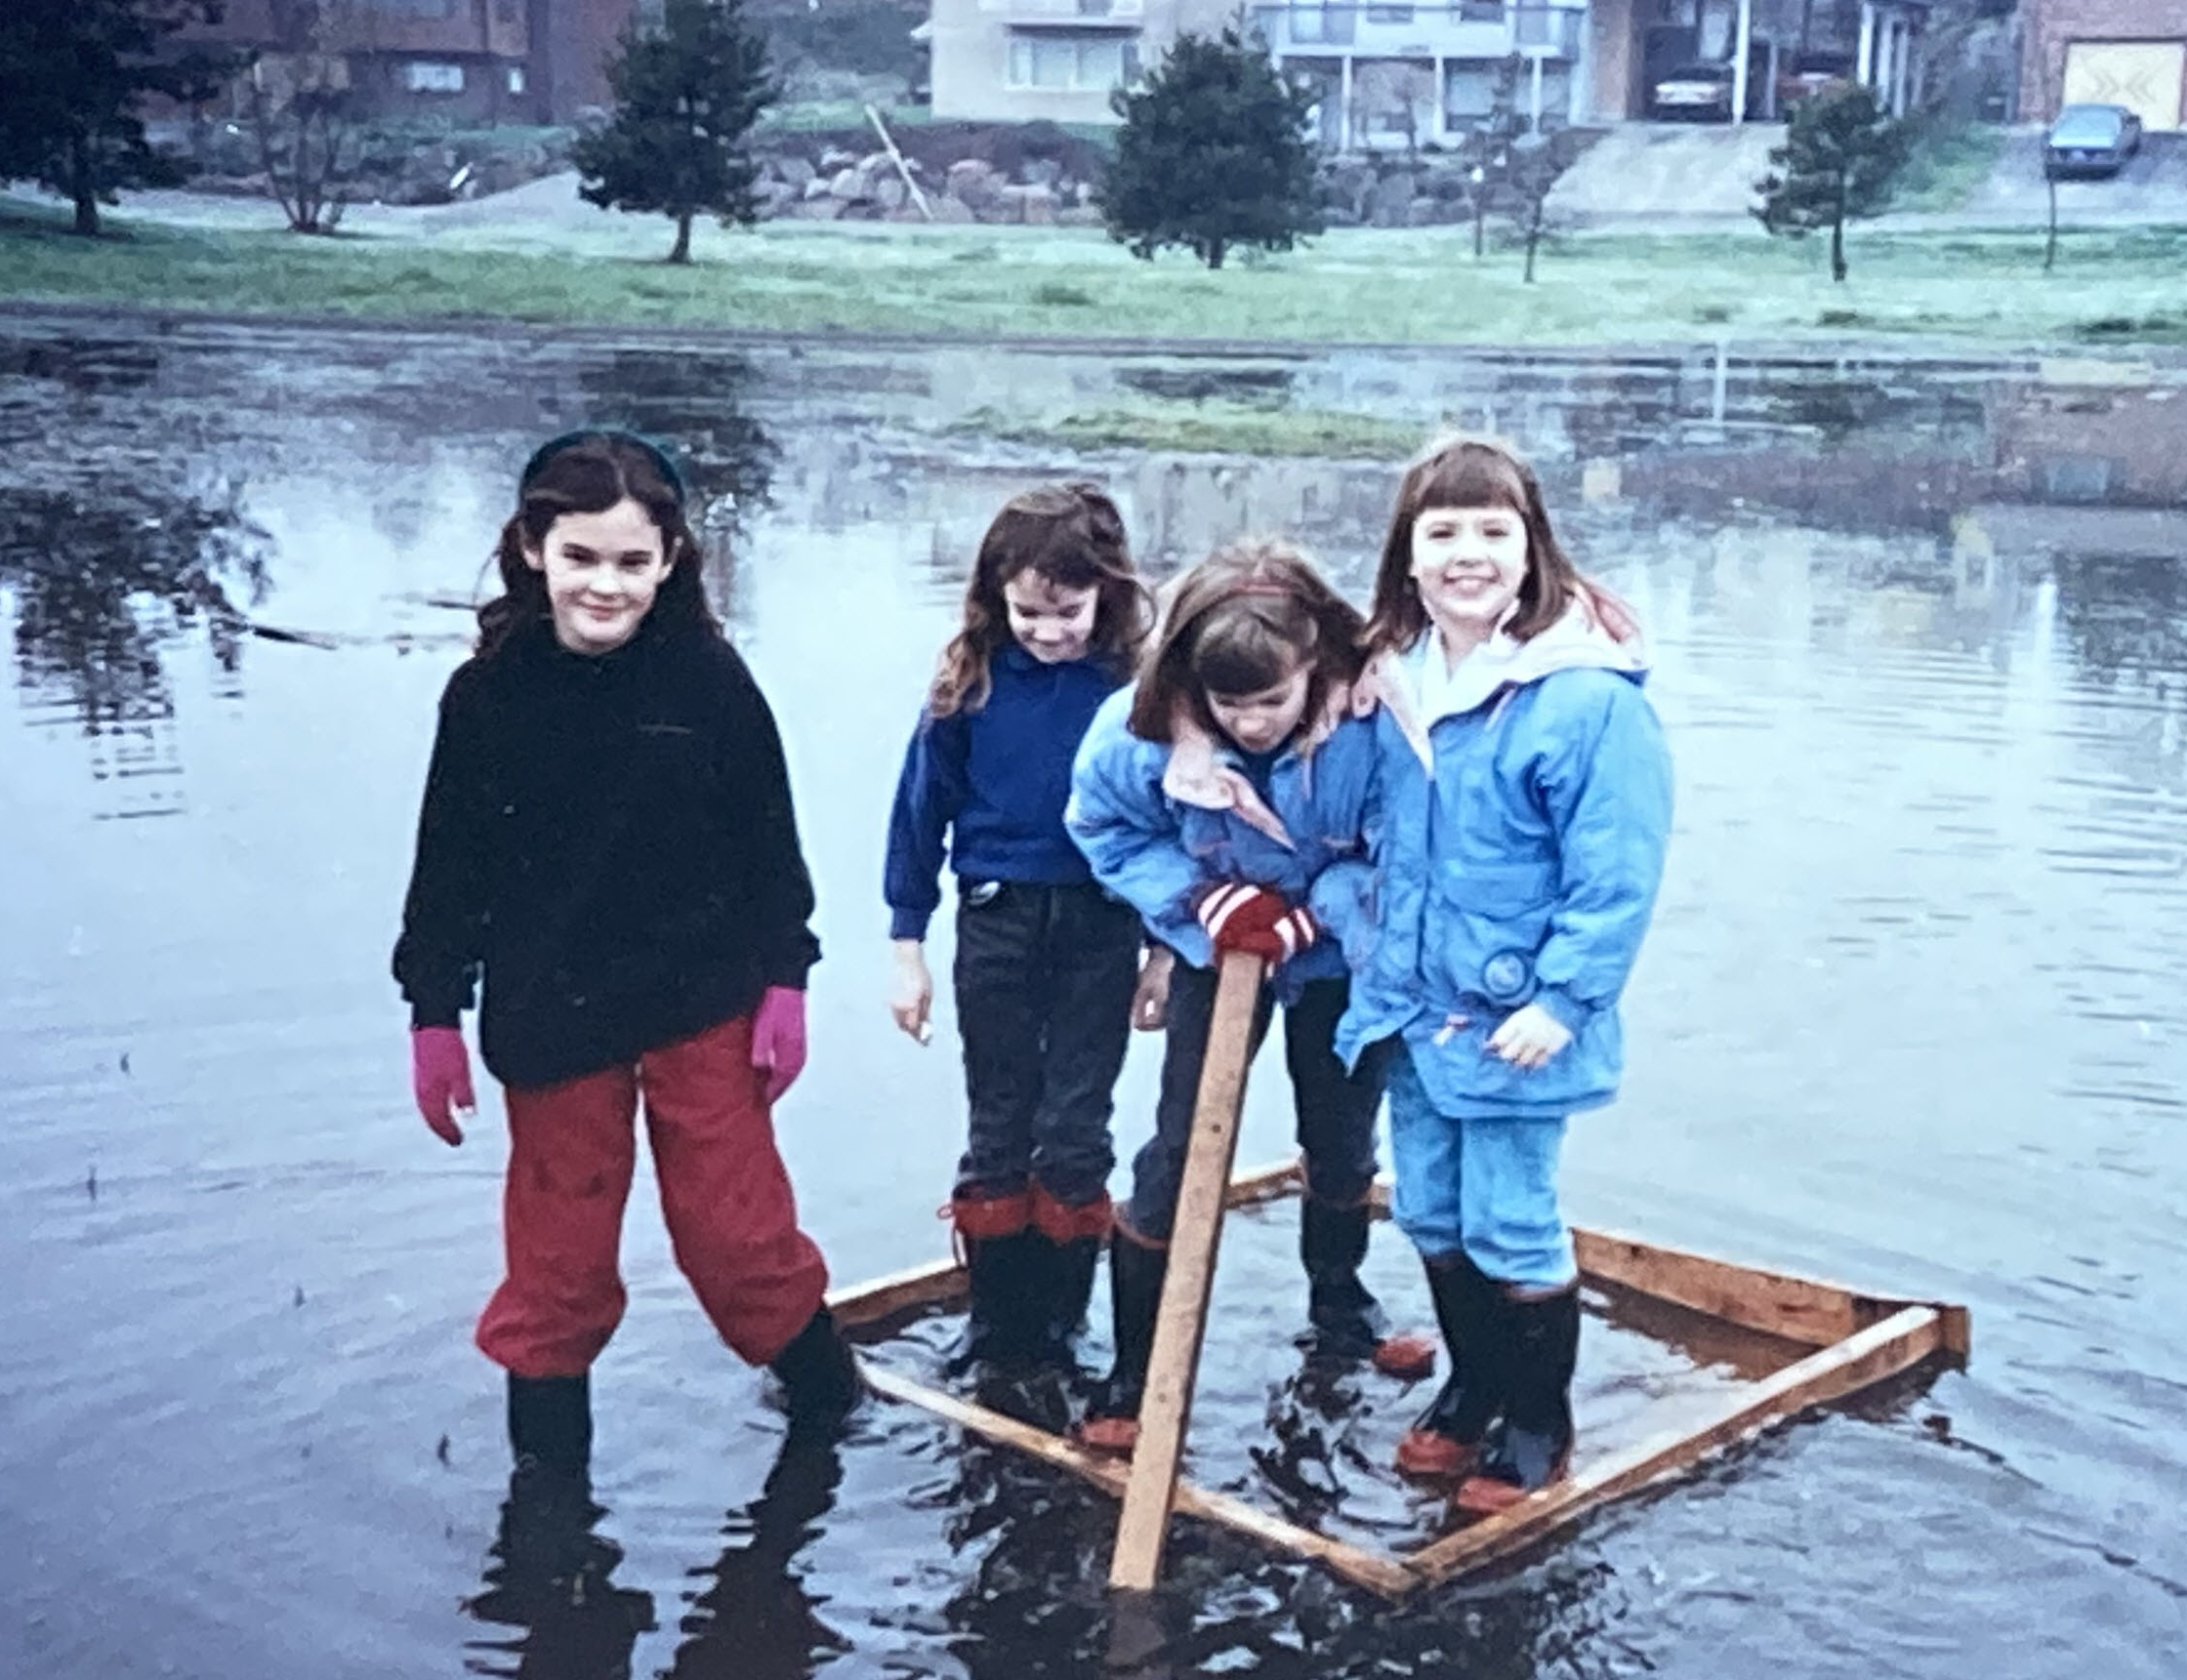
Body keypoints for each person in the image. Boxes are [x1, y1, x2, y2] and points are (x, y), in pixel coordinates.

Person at [393, 429, 859, 1477]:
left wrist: (786, 980)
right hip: (552, 1015)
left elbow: (769, 846)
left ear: (671, 559)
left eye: (632, 562)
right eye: (580, 557)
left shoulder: (708, 680)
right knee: (556, 1272)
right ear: (532, 549)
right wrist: (434, 1014)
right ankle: (548, 1515)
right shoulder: (486, 697)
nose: (605, 585)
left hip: (703, 1001)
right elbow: (447, 873)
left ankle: (834, 1413)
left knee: (739, 1245)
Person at [1341, 436, 1673, 1515]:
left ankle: (1538, 1421)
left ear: (1534, 550)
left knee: (1510, 1219)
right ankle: (1472, 1385)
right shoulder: (1387, 677)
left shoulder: (1587, 698)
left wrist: (1564, 999)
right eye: (1442, 532)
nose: (1467, 554)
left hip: (1517, 1015)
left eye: (1494, 530)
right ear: (1407, 554)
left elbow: (1616, 872)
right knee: (1431, 1212)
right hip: (1411, 1011)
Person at [1064, 542, 1425, 1455]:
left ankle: (1340, 1306)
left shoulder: (1374, 723)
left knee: (1341, 1134)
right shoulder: (1139, 729)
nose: (1253, 724)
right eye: (1232, 707)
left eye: (1272, 701)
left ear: (1313, 666)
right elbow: (1103, 826)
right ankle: (1135, 1367)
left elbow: (1408, 849)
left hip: (1339, 953)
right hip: (1215, 944)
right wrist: (1199, 900)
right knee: (1181, 1143)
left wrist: (1321, 911)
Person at [884, 484, 1154, 1374]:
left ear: (1107, 593)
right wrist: (907, 946)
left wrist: (1163, 950)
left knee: (1075, 1127)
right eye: (1027, 612)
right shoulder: (969, 681)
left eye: (1067, 612)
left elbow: (1171, 824)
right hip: (995, 918)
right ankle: (998, 1329)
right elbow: (917, 817)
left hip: (1101, 924)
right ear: (996, 595)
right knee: (999, 1121)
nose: (1046, 631)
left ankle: (1062, 1326)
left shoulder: (1138, 690)